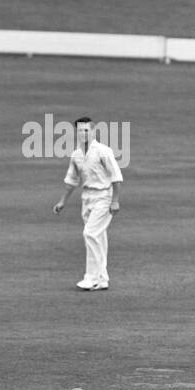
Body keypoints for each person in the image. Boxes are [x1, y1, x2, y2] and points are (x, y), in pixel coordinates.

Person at [53, 116, 123, 291]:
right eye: (80, 130)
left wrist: (115, 200)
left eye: (87, 130)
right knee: (98, 236)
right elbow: (72, 180)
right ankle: (102, 278)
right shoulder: (76, 155)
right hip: (87, 198)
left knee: (90, 234)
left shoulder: (103, 151)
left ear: (93, 131)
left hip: (104, 197)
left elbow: (116, 177)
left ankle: (91, 278)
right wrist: (62, 201)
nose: (83, 133)